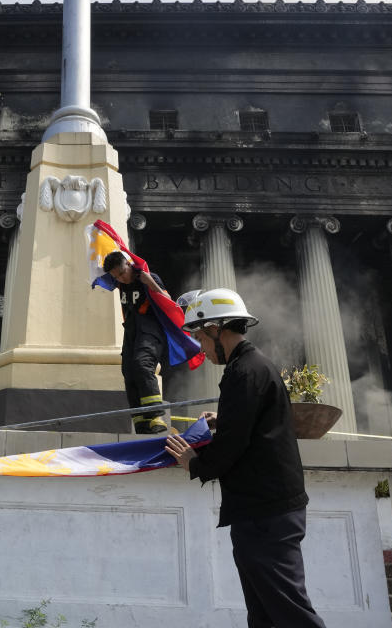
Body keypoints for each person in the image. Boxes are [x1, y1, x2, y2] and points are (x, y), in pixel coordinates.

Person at [164, 288, 325, 628]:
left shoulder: (244, 372)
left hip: (265, 513)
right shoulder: (254, 366)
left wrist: (194, 462)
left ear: (216, 328)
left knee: (291, 613)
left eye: (200, 337)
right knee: (265, 614)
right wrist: (224, 419)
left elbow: (233, 444)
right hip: (267, 508)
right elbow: (256, 424)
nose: (201, 348)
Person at [103, 250, 172, 434]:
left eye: (122, 273)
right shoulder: (120, 283)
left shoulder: (148, 277)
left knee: (142, 364)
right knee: (128, 370)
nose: (121, 279)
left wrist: (150, 283)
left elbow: (169, 302)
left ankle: (156, 415)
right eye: (116, 276)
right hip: (132, 331)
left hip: (150, 330)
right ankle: (140, 420)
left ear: (128, 264)